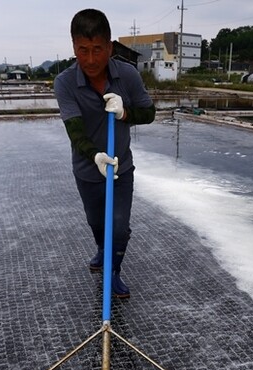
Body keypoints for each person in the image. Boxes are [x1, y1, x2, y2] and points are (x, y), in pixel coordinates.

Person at [54, 8, 156, 298]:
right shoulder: (65, 82)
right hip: (88, 171)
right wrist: (95, 155)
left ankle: (113, 272)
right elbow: (75, 131)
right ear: (74, 47)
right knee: (98, 223)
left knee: (119, 227)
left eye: (97, 50)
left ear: (109, 47)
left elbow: (149, 113)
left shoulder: (127, 75)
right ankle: (102, 249)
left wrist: (125, 113)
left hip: (121, 169)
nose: (90, 59)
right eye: (82, 50)